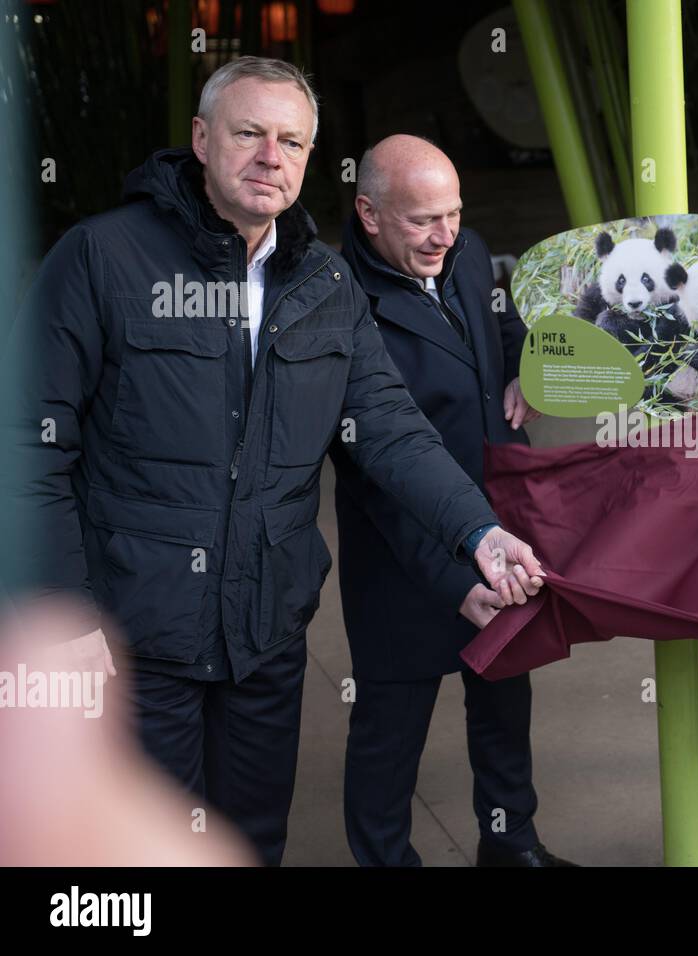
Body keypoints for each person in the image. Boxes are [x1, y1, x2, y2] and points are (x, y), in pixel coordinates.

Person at [5, 57, 543, 866]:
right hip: (134, 636)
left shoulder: (324, 282)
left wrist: (478, 533)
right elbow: (26, 446)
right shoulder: (100, 259)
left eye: (292, 141)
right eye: (249, 133)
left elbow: (391, 428)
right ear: (200, 139)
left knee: (251, 845)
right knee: (134, 859)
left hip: (264, 634)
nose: (271, 156)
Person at [332, 135, 572, 867]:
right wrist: (452, 577)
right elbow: (372, 470)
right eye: (422, 221)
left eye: (455, 214)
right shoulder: (336, 299)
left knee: (503, 700)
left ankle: (509, 845)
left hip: (499, 523)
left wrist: (527, 364)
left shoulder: (467, 253)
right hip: (402, 554)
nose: (445, 236)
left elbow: (501, 321)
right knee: (389, 732)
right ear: (369, 213)